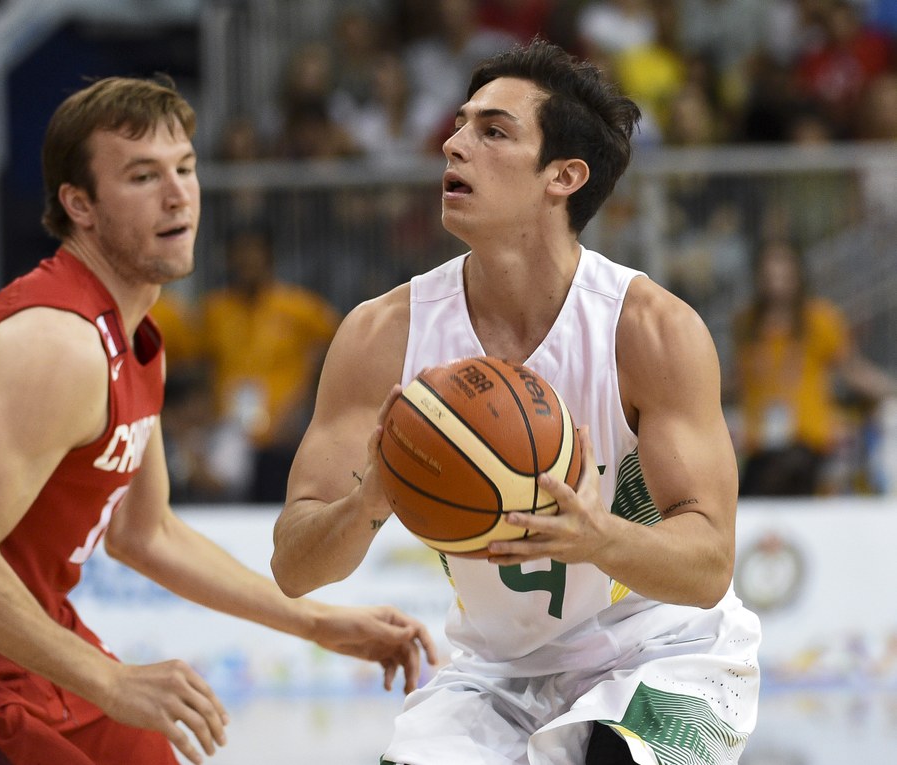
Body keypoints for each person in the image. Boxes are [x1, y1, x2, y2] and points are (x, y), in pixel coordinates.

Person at [0, 75, 437, 765]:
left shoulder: (138, 338)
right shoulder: (60, 344)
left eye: (186, 168)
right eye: (143, 176)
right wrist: (110, 679)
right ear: (79, 204)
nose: (178, 194)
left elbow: (147, 533)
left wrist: (318, 620)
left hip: (13, 633)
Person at [271, 40, 761, 764]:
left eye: (492, 131)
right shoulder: (383, 335)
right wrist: (371, 497)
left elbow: (709, 564)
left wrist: (602, 539)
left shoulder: (650, 330)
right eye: (461, 123)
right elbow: (294, 564)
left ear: (563, 175)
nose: (453, 141)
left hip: (661, 649)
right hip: (495, 673)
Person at [730, 238, 897, 496]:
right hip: (760, 443)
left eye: (783, 271)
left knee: (787, 471)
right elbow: (736, 379)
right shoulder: (746, 324)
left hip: (808, 440)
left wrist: (888, 389)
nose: (776, 280)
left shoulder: (818, 319)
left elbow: (851, 369)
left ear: (797, 274)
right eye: (769, 271)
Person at [199, 225, 342, 503]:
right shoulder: (214, 311)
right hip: (230, 434)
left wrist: (309, 406)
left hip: (287, 434)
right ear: (228, 259)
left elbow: (338, 351)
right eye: (239, 253)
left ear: (270, 256)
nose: (247, 261)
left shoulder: (300, 308)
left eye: (254, 252)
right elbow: (201, 365)